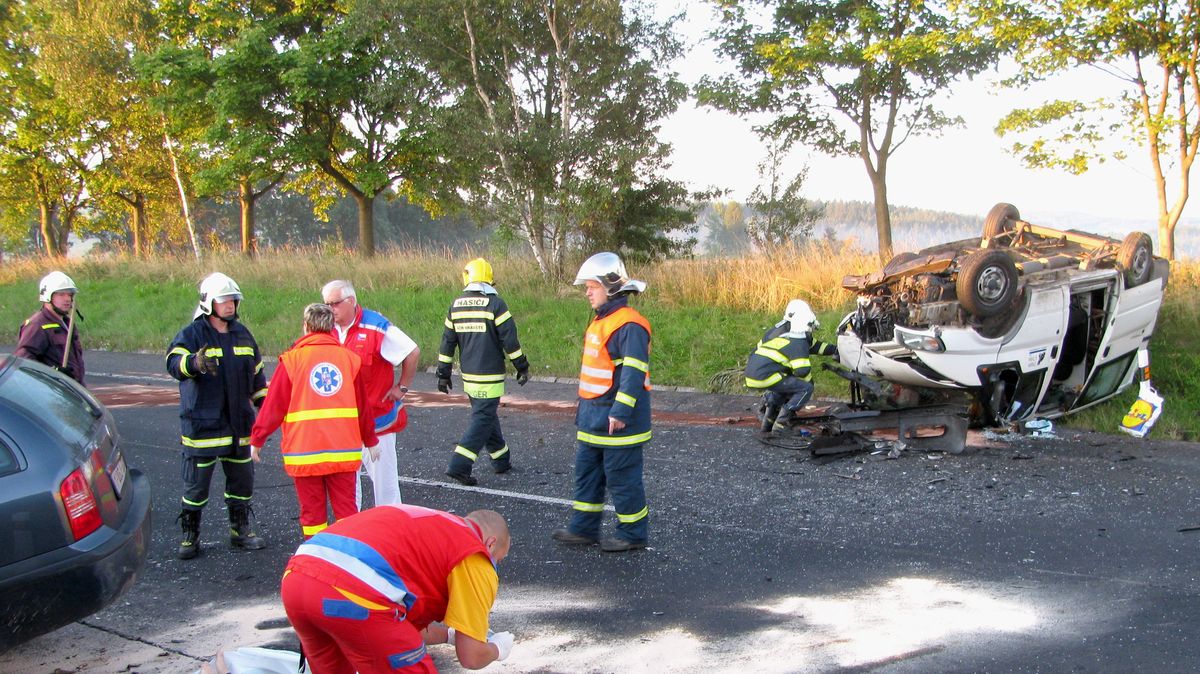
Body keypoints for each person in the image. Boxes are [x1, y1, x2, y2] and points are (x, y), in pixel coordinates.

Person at [280, 505, 514, 673]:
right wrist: (498, 648)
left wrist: (448, 635)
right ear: (490, 543)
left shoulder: (431, 528)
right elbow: (471, 656)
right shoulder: (474, 554)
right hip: (352, 594)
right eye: (499, 559)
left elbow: (399, 628)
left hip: (297, 581)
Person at [249, 303, 379, 540]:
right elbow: (363, 407)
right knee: (347, 512)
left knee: (312, 514)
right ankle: (348, 554)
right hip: (342, 452)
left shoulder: (292, 360)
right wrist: (370, 441)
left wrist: (257, 439)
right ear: (331, 327)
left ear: (306, 326)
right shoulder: (349, 359)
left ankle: (316, 553)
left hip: (305, 452)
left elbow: (273, 406)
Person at [551, 252, 652, 553]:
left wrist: (620, 412)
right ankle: (583, 529)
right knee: (587, 476)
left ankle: (633, 534)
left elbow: (633, 373)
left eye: (592, 287)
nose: (587, 292)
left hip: (618, 423)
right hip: (593, 419)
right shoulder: (603, 321)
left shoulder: (630, 325)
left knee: (623, 480)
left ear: (610, 287)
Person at [165, 272, 269, 560]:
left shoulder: (243, 334)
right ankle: (190, 535)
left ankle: (240, 531)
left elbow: (257, 376)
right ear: (208, 303)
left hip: (239, 426)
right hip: (203, 427)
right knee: (196, 487)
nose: (230, 305)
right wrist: (193, 363)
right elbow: (173, 363)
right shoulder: (192, 334)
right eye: (224, 301)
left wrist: (266, 406)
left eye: (233, 300)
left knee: (242, 483)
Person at [321, 280, 420, 509]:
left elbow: (412, 352)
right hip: (343, 425)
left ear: (351, 301)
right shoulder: (326, 328)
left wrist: (402, 387)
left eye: (335, 303)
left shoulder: (376, 327)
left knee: (385, 489)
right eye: (326, 304)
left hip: (377, 422)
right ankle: (351, 526)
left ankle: (391, 527)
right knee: (345, 488)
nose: (330, 309)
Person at [437, 257, 531, 486]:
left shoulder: (455, 305)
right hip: (490, 376)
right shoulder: (496, 305)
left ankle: (501, 459)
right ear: (489, 279)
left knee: (486, 414)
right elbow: (510, 341)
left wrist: (443, 374)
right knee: (483, 418)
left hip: (469, 377)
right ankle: (459, 465)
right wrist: (522, 366)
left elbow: (447, 342)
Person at [744, 298, 838, 434]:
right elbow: (802, 371)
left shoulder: (783, 332)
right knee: (804, 389)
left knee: (782, 389)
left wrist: (836, 349)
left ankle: (768, 424)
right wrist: (808, 385)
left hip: (755, 373)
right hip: (767, 374)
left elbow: (814, 346)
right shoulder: (798, 340)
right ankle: (782, 423)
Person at [16, 271, 85, 384]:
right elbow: (24, 362)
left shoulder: (67, 323)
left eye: (70, 294)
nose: (67, 299)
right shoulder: (37, 325)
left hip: (72, 388)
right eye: (61, 294)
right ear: (48, 296)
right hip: (52, 390)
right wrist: (52, 372)